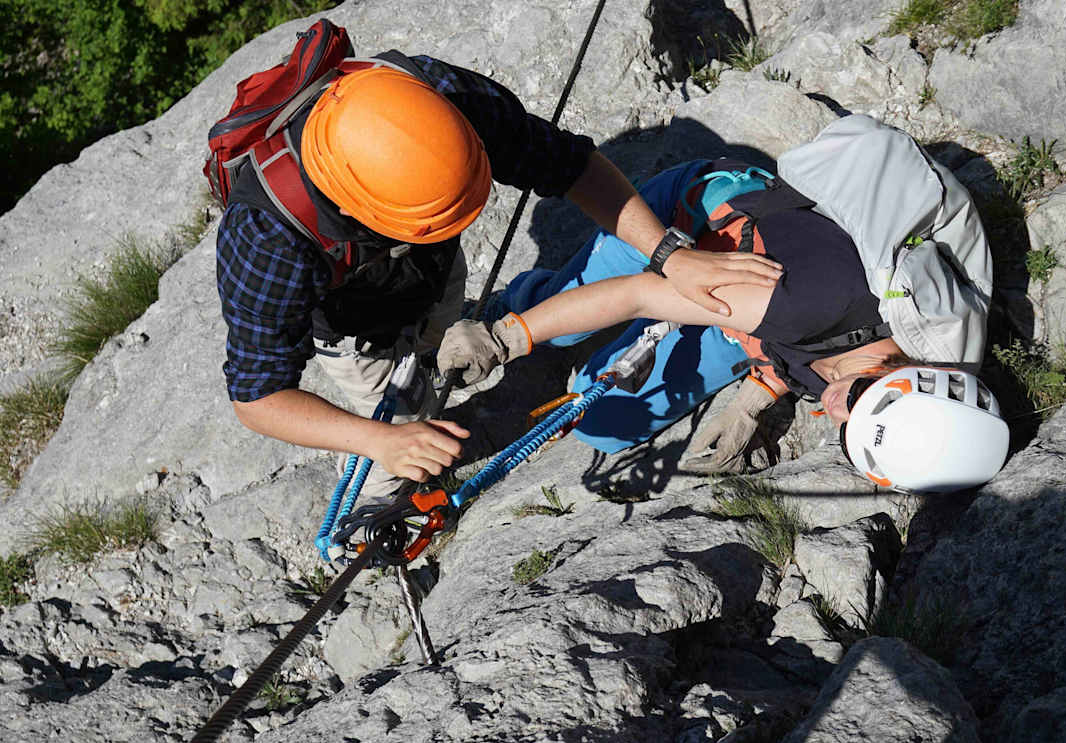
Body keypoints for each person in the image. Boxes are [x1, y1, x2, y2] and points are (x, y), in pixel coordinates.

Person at [215, 54, 781, 500]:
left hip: (430, 271)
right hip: (354, 325)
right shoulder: (268, 238)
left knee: (445, 341)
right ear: (366, 212)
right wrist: (379, 439)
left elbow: (571, 166)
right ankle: (379, 500)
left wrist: (668, 253)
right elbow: (258, 396)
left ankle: (508, 319)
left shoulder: (441, 102)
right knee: (404, 411)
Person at [438, 158, 1010, 493]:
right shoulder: (815, 307)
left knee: (603, 419)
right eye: (856, 397)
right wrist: (508, 337)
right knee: (561, 322)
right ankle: (519, 301)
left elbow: (817, 361)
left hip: (757, 306)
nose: (833, 409)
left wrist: (754, 401)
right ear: (899, 376)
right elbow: (639, 294)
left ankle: (568, 334)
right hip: (695, 225)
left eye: (845, 428)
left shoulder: (900, 374)